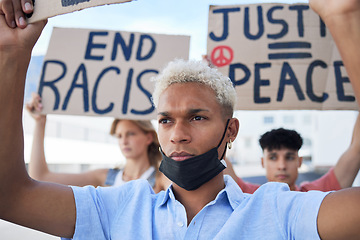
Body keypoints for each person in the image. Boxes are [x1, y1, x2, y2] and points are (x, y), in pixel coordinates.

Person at [0, 0, 360, 239]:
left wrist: (342, 19)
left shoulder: (279, 211)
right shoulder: (118, 207)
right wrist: (13, 54)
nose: (178, 135)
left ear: (230, 130)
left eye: (198, 117)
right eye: (166, 120)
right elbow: (10, 196)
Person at [25, 93, 170, 192]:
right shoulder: (104, 177)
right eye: (119, 136)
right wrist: (40, 123)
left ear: (149, 137)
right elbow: (40, 177)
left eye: (130, 134)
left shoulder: (161, 178)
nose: (124, 141)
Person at [224, 119, 360, 193]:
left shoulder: (315, 193)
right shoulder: (249, 195)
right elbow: (217, 153)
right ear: (262, 162)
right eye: (273, 157)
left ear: (299, 161)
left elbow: (357, 149)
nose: (282, 166)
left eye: (289, 157)